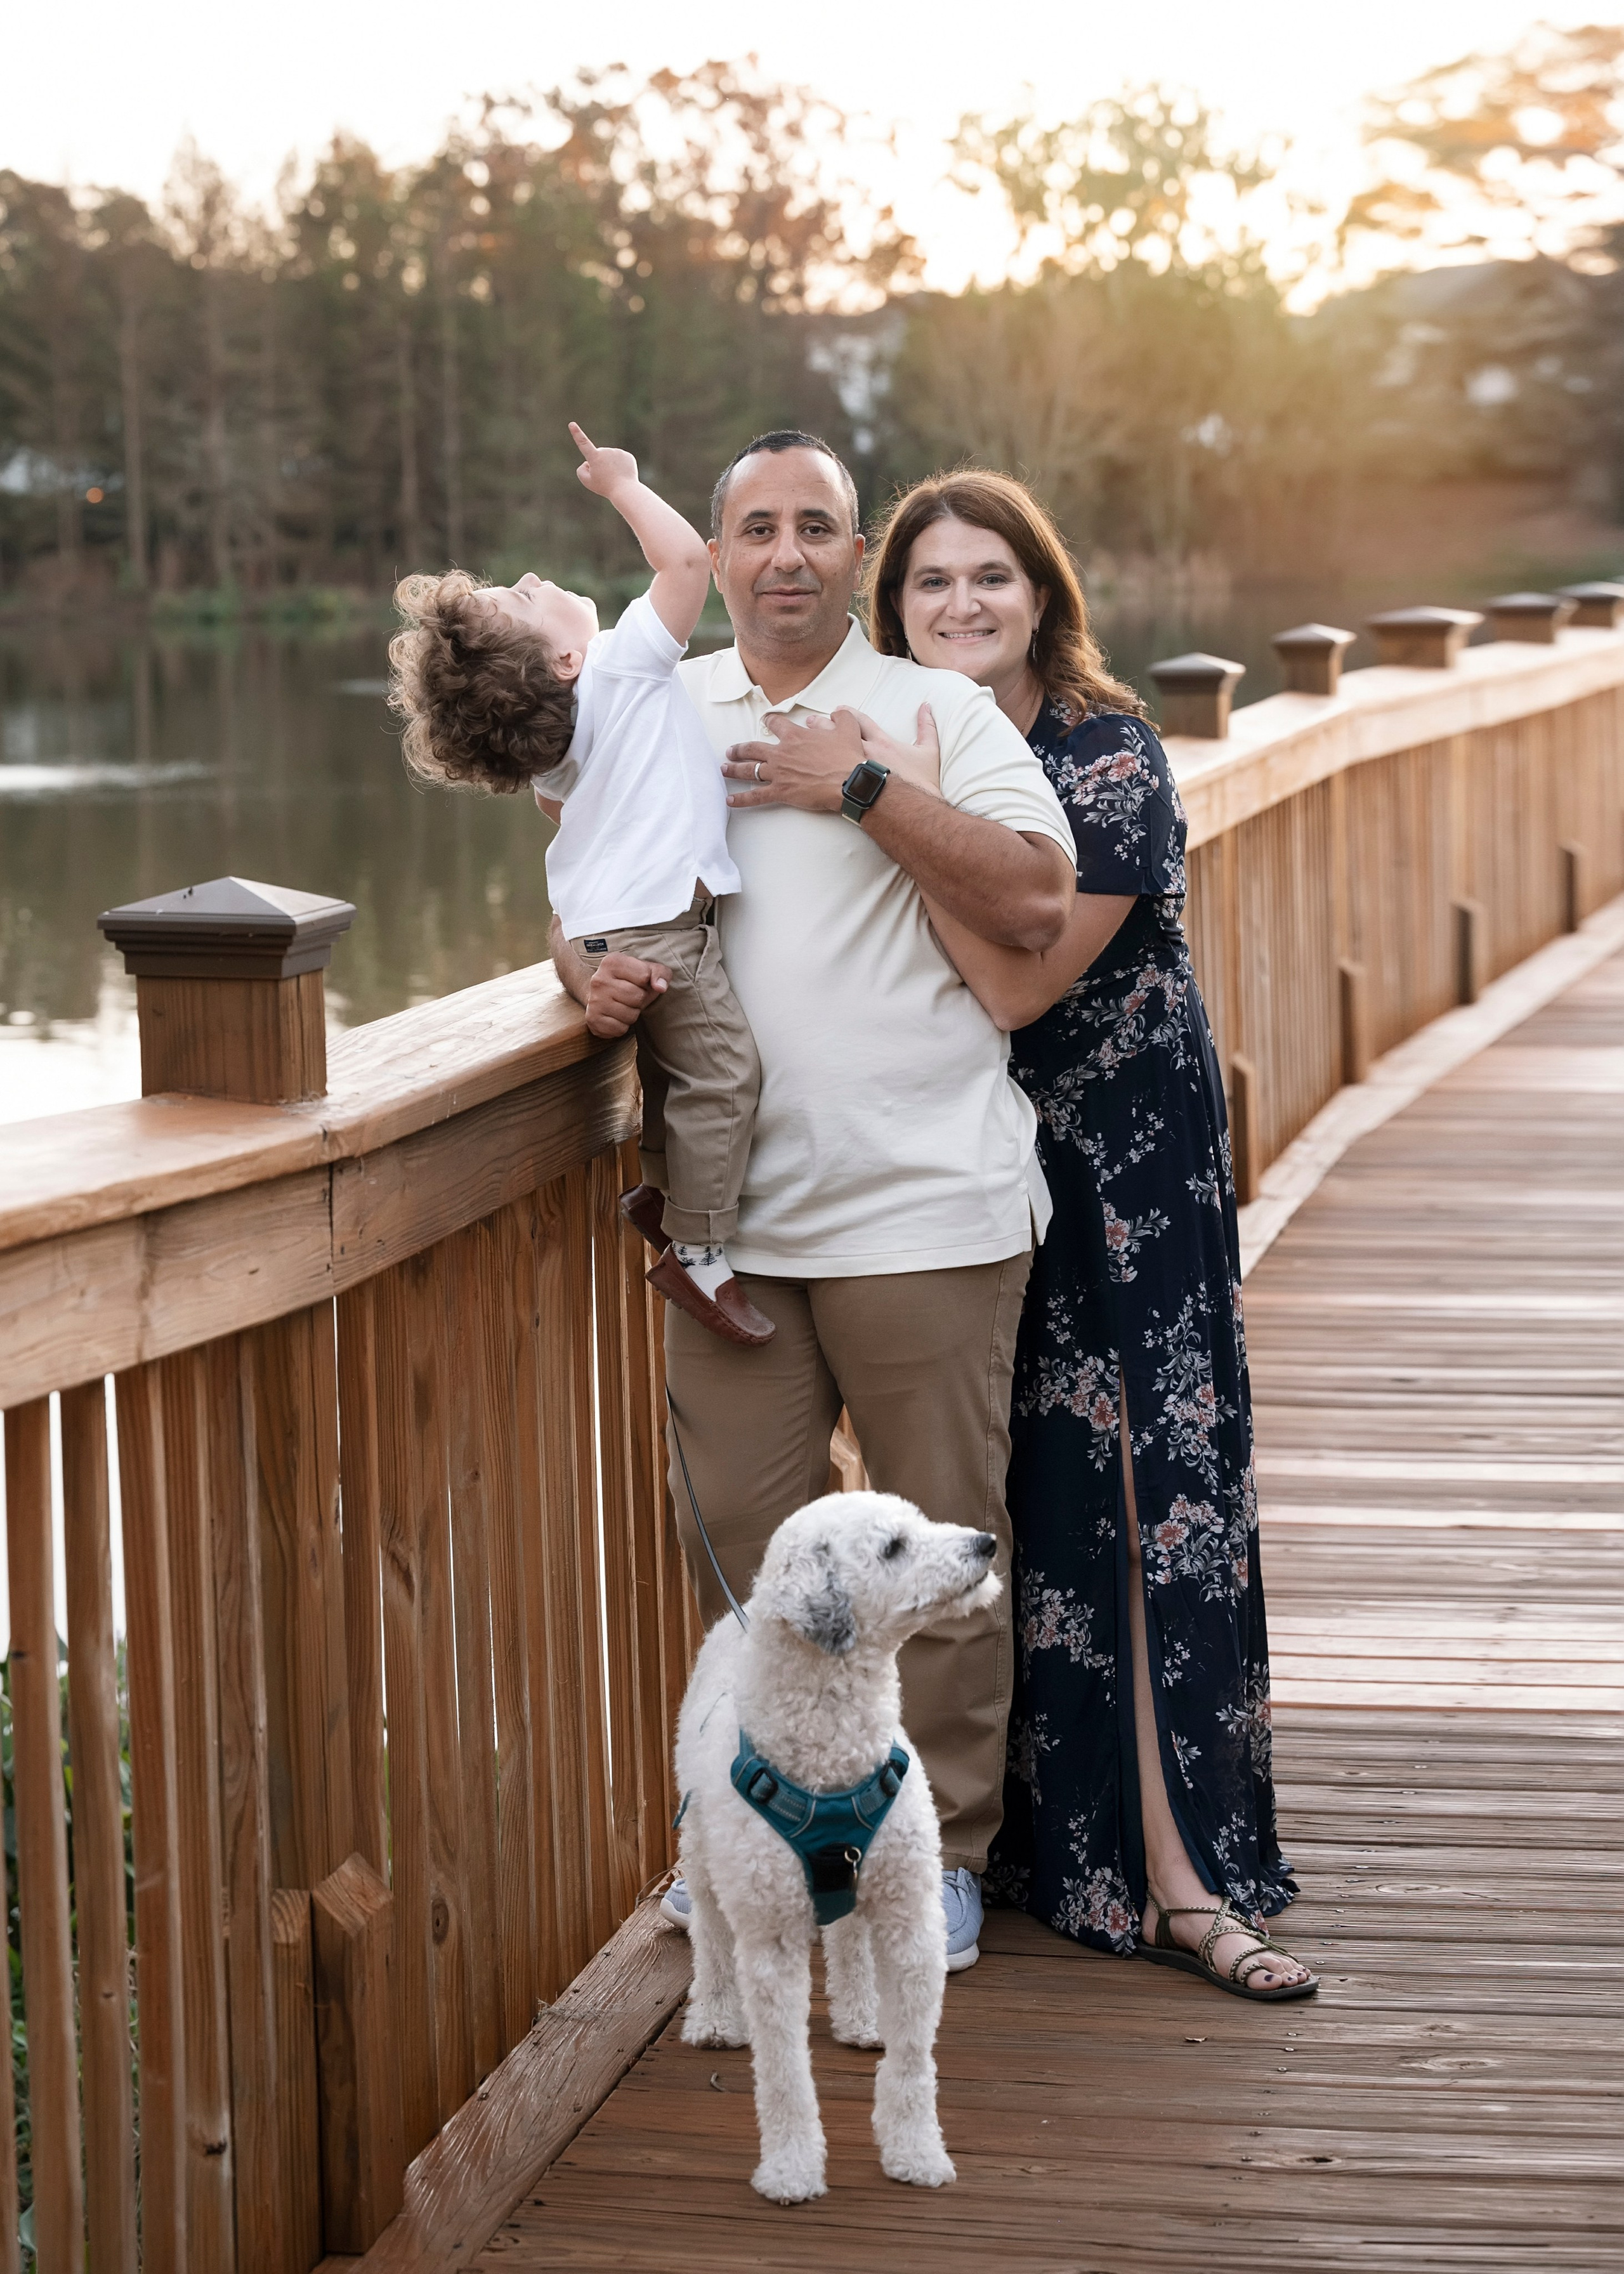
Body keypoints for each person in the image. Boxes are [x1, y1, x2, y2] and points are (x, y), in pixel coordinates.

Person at [551, 431, 1077, 1970]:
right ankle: (746, 1847)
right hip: (728, 1237)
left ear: (857, 558)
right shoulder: (652, 696)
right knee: (734, 1558)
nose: (785, 553)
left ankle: (942, 1857)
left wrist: (853, 782)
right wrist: (582, 978)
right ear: (711, 553)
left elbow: (1035, 894)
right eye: (754, 526)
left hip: (924, 1208)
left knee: (944, 1561)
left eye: (817, 528)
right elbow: (586, 891)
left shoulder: (939, 708)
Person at [863, 469, 1314, 2000]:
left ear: (1042, 597)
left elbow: (1012, 987)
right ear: (897, 608)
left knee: (1144, 1487)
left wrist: (877, 807)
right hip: (979, 1173)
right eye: (931, 583)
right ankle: (1059, 1851)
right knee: (1027, 1486)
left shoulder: (1101, 755)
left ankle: (1187, 1874)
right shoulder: (907, 737)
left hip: (1125, 1170)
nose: (962, 604)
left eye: (990, 576)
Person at [388, 423, 772, 1346]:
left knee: (679, 1077)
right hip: (660, 930)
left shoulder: (560, 756)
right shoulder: (623, 668)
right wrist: (621, 486)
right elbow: (688, 558)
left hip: (607, 934)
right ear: (564, 661)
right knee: (728, 1074)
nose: (535, 579)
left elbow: (591, 807)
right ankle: (701, 1252)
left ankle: (662, 1197)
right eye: (524, 596)